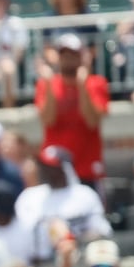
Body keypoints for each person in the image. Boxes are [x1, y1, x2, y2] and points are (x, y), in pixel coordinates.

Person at [36, 33, 109, 186]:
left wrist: (83, 86)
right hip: (55, 169)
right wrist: (49, 86)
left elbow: (92, 121)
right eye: (64, 55)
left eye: (74, 55)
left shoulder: (96, 83)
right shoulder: (46, 84)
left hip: (87, 168)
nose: (69, 59)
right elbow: (48, 119)